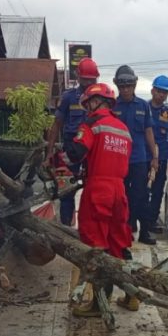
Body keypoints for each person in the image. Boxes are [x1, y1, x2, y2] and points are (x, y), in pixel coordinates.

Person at [64, 83, 133, 317]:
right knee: (118, 243)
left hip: (98, 188)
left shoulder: (92, 125)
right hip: (119, 190)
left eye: (88, 104)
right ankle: (132, 295)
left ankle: (98, 305)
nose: (87, 108)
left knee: (97, 247)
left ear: (96, 102)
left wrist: (60, 155)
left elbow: (76, 153)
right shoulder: (123, 128)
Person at [46, 57, 99, 226]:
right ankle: (66, 228)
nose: (89, 83)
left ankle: (90, 228)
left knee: (94, 190)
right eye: (86, 79)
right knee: (67, 190)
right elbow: (57, 125)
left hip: (92, 149)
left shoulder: (101, 98)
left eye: (92, 80)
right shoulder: (68, 97)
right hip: (71, 148)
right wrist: (49, 152)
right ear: (78, 77)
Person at [113, 65, 159, 245]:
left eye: (128, 86)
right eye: (122, 87)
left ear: (134, 85)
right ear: (117, 86)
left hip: (139, 160)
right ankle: (125, 230)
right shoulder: (113, 106)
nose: (125, 90)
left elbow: (149, 132)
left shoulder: (143, 106)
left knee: (141, 196)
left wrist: (154, 158)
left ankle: (145, 232)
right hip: (118, 160)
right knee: (120, 197)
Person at [147, 75, 168, 233]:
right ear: (152, 90)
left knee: (158, 190)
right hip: (143, 156)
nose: (161, 95)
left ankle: (152, 221)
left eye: (165, 93)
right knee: (139, 190)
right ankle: (133, 220)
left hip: (162, 157)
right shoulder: (143, 108)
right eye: (159, 91)